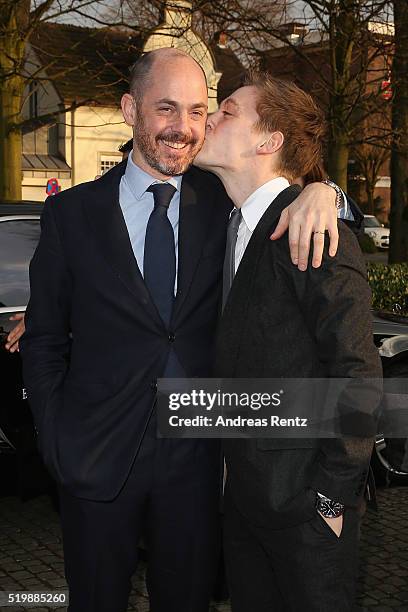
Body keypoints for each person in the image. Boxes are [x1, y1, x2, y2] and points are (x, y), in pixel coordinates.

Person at [20, 49, 359, 612]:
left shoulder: (221, 206)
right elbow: (47, 338)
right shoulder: (70, 216)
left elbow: (283, 188)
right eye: (167, 109)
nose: (184, 128)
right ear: (131, 110)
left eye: (202, 111)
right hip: (95, 460)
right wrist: (55, 436)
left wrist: (328, 193)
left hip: (200, 468)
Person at [196, 74, 382, 611]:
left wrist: (329, 494)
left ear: (269, 140)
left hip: (304, 511)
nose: (209, 118)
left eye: (227, 111)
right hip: (243, 503)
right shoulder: (226, 223)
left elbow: (357, 373)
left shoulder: (313, 231)